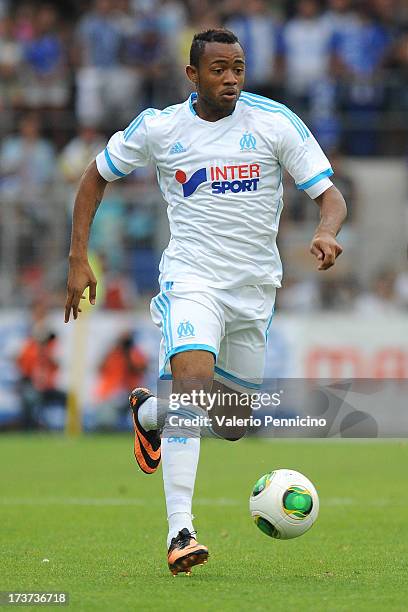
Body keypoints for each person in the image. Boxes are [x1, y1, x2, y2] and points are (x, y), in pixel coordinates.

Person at [65, 29, 346, 576]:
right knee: (192, 384)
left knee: (235, 422)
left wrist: (328, 231)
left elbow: (329, 195)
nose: (231, 79)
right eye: (219, 69)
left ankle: (150, 413)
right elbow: (94, 178)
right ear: (193, 76)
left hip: (253, 290)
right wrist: (78, 257)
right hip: (191, 280)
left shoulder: (274, 121)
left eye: (238, 68)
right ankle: (181, 531)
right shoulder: (161, 127)